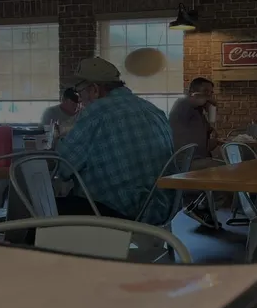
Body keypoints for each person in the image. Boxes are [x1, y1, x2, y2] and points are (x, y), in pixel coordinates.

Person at [56, 58, 174, 225]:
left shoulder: (97, 112)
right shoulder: (152, 109)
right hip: (162, 210)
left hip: (121, 212)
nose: (79, 100)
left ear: (94, 90)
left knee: (44, 209)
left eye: (79, 92)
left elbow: (63, 167)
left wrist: (60, 141)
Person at [169, 77, 220, 229]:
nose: (209, 95)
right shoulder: (182, 104)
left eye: (211, 92)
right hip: (184, 163)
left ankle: (201, 206)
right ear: (191, 91)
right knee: (227, 172)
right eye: (206, 91)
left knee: (228, 168)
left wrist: (214, 140)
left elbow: (204, 142)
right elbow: (194, 99)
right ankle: (200, 207)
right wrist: (211, 102)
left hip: (197, 159)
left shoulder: (198, 113)